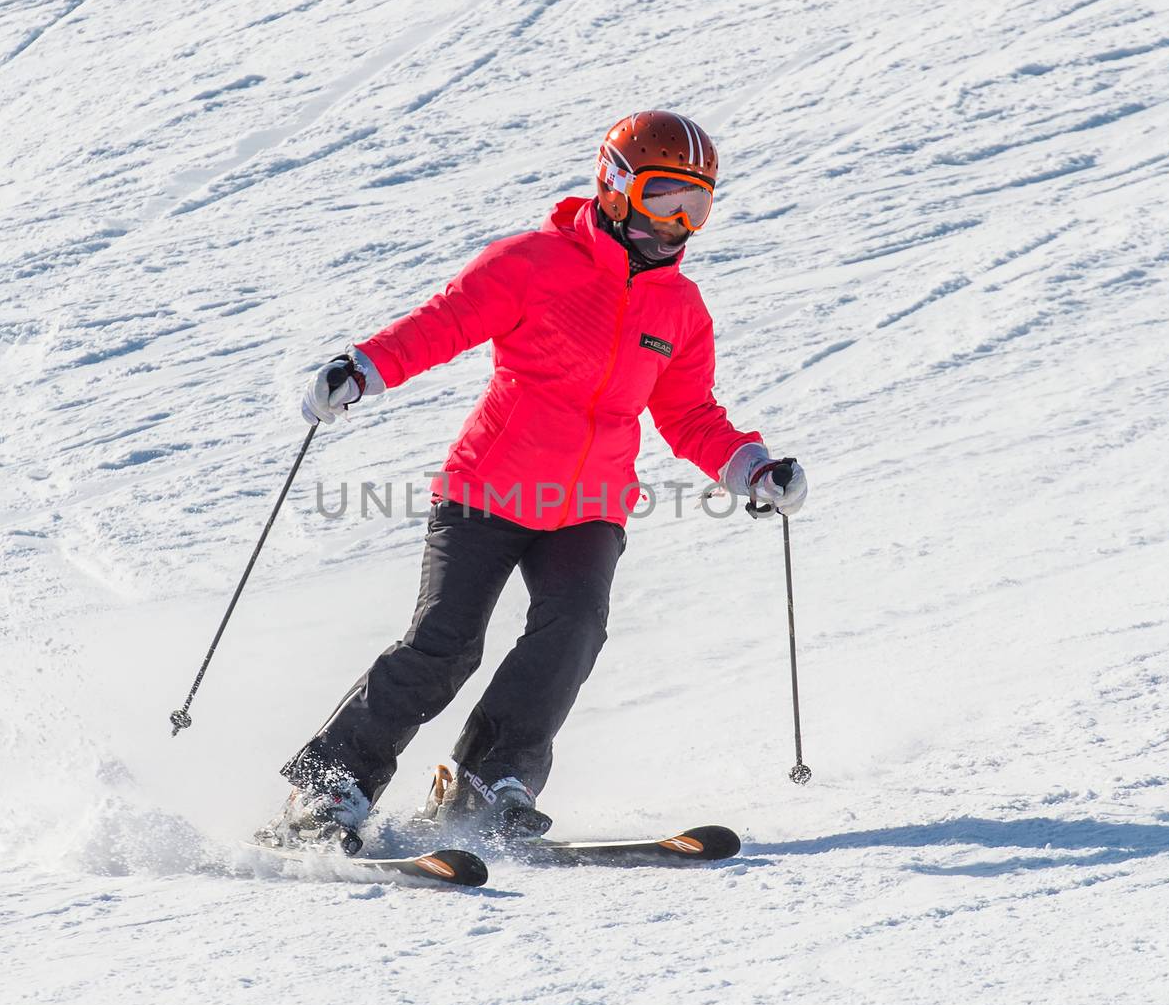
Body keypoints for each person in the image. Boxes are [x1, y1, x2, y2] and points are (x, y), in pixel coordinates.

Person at [260, 110, 808, 853]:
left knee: (573, 632)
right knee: (443, 644)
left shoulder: (679, 309)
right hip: (488, 489)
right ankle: (328, 788)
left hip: (590, 507)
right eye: (663, 197)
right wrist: (362, 370)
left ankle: (489, 780)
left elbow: (689, 414)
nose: (679, 222)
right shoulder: (533, 262)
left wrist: (752, 468)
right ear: (615, 187)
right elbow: (441, 324)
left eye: (697, 205)